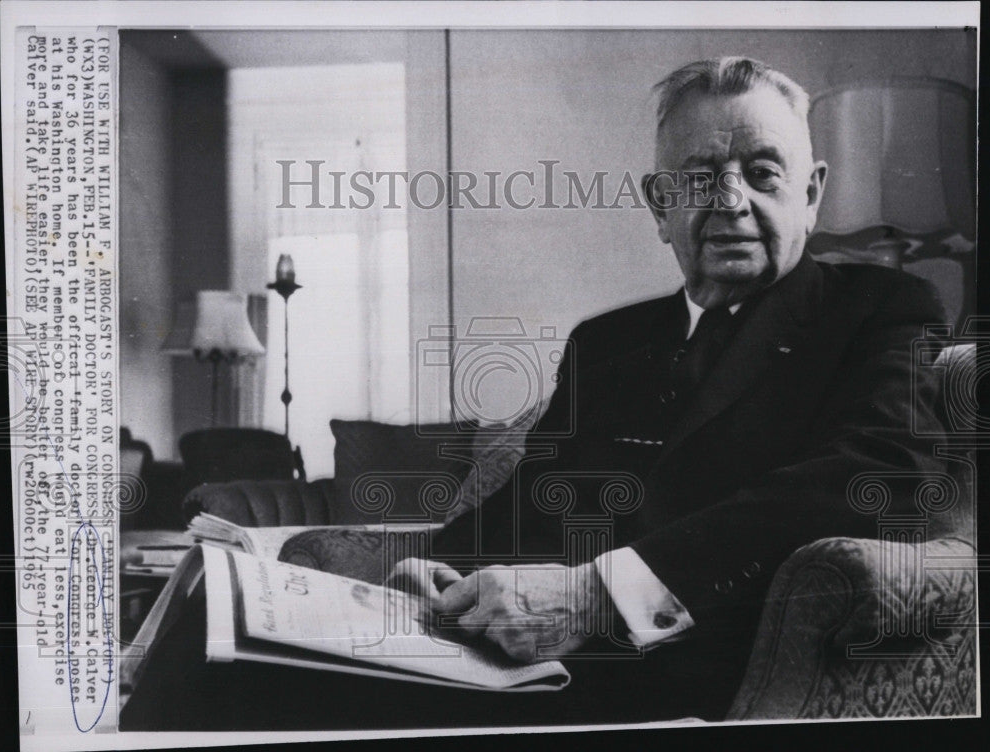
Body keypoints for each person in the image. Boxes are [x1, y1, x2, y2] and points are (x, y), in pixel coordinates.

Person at [389, 56, 954, 718]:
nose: (731, 202)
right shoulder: (606, 342)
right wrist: (438, 570)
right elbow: (538, 499)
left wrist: (596, 596)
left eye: (763, 174)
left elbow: (886, 471)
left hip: (704, 684)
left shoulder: (882, 307)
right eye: (700, 179)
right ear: (661, 206)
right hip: (528, 669)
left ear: (810, 196)